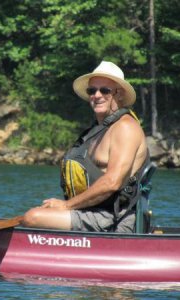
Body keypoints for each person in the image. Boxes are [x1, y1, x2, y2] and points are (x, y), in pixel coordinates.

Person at [22, 61, 150, 233]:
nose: (97, 95)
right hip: (93, 212)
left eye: (104, 90)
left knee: (33, 217)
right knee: (39, 214)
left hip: (113, 218)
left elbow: (112, 182)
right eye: (92, 90)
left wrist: (66, 205)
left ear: (119, 94)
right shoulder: (99, 130)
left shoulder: (125, 127)